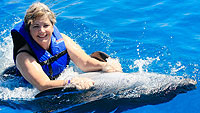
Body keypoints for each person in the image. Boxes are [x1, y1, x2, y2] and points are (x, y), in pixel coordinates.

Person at [11, 2, 122, 92]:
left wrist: (105, 65)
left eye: (46, 25)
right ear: (29, 29)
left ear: (52, 26)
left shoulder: (62, 40)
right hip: (20, 83)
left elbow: (85, 62)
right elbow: (43, 85)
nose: (42, 31)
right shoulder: (24, 57)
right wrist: (71, 82)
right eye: (36, 26)